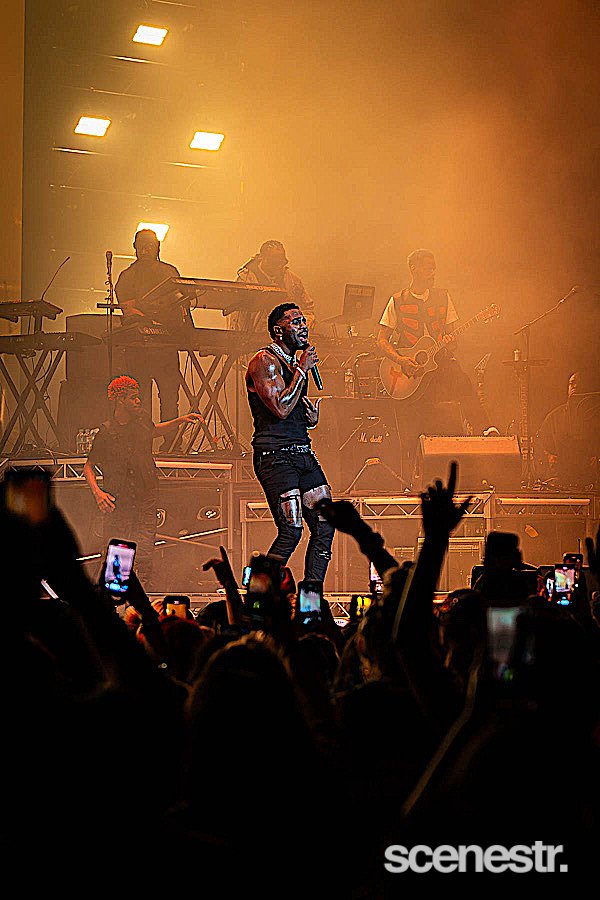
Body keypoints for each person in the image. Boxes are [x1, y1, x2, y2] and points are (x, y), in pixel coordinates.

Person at [377, 248, 499, 474]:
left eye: (434, 268)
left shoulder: (443, 297)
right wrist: (401, 360)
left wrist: (450, 342)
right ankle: (409, 475)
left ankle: (485, 428)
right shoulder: (397, 301)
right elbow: (381, 340)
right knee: (413, 422)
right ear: (413, 269)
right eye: (428, 268)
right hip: (410, 370)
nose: (432, 272)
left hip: (439, 362)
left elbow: (452, 338)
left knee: (462, 380)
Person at [83, 375, 203, 589]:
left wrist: (181, 420)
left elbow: (154, 430)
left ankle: (142, 593)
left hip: (145, 495)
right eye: (133, 398)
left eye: (138, 397)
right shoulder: (107, 432)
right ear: (120, 400)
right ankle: (116, 597)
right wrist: (98, 493)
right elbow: (88, 466)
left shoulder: (141, 422)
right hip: (119, 499)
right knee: (120, 549)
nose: (138, 401)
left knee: (145, 549)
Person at [245, 302, 335, 583]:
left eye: (304, 321)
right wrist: (302, 370)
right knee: (291, 530)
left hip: (302, 452)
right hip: (275, 456)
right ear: (278, 330)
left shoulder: (295, 365)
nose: (303, 327)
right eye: (295, 322)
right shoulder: (264, 361)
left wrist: (309, 418)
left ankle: (311, 599)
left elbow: (292, 409)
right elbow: (280, 408)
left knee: (325, 526)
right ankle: (258, 595)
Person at [115, 229, 193, 443]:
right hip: (139, 348)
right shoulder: (127, 276)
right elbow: (128, 310)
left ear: (158, 247)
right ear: (135, 248)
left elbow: (181, 304)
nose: (146, 250)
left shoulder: (169, 272)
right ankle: (142, 443)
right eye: (142, 245)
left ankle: (172, 443)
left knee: (169, 397)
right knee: (139, 399)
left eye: (150, 245)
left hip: (165, 347)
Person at [229, 240, 317, 336]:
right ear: (262, 258)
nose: (278, 266)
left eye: (280, 262)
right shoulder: (245, 280)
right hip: (253, 336)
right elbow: (235, 316)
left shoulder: (293, 282)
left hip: (284, 338)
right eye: (274, 262)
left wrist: (304, 323)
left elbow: (307, 308)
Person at [535, 370, 598, 487]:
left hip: (590, 480)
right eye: (572, 383)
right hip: (561, 479)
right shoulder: (554, 417)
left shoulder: (596, 417)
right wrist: (548, 456)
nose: (575, 386)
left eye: (579, 383)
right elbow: (539, 443)